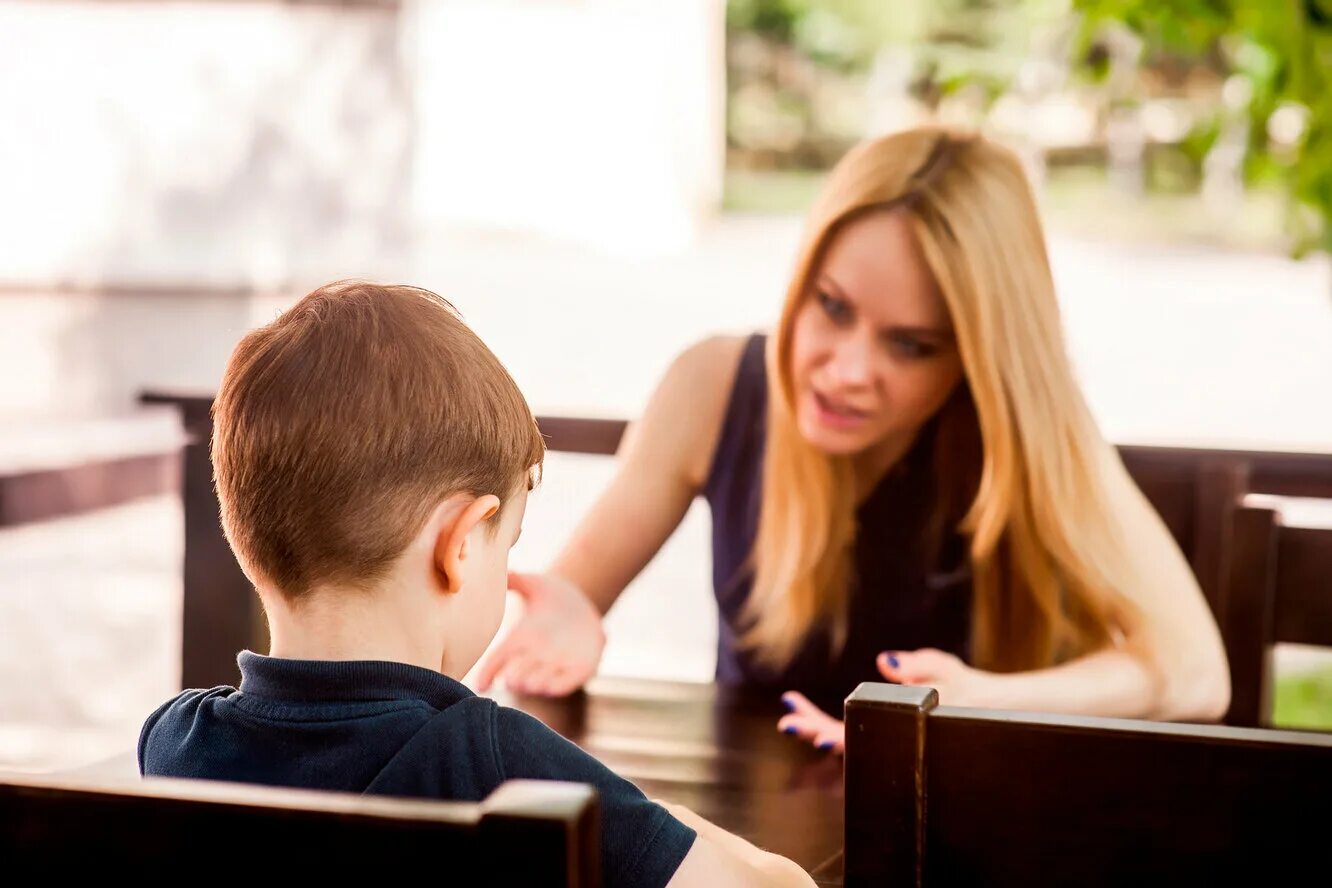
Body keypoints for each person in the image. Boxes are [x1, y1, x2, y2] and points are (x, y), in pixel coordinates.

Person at [476, 126, 1231, 752]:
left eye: (911, 345)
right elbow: (574, 595)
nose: (848, 372)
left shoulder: (1026, 433)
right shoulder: (714, 385)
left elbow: (1196, 674)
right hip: (758, 841)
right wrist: (570, 611)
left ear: (978, 355)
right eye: (831, 306)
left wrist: (981, 701)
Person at [138, 281, 814, 888]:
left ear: (243, 534)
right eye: (508, 543)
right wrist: (663, 820)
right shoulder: (502, 765)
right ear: (459, 545)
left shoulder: (172, 742)